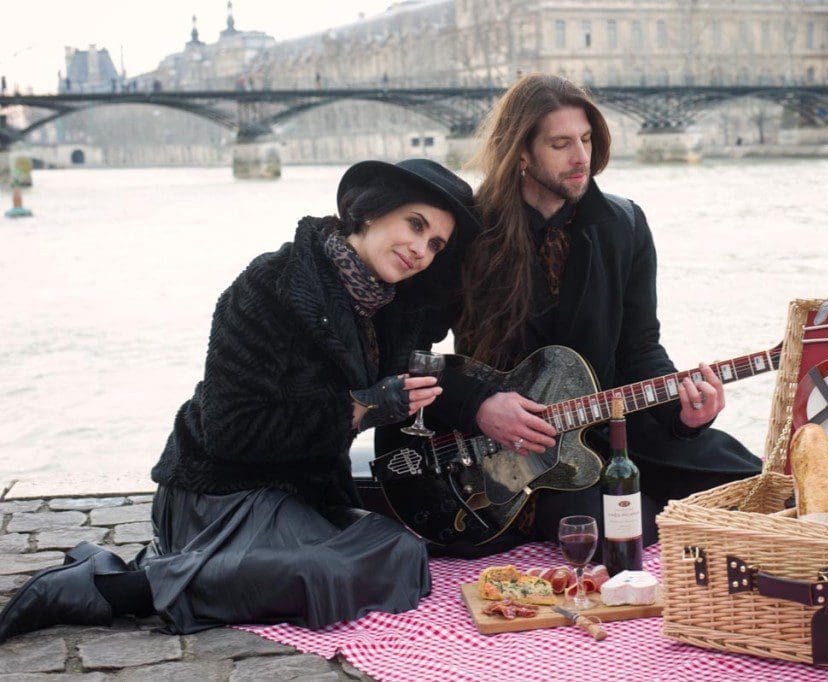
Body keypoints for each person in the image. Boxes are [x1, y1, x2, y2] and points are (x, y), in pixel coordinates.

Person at [0, 158, 479, 642]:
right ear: (372, 211)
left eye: (436, 244)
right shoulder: (271, 285)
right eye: (414, 226)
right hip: (217, 492)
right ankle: (117, 588)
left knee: (403, 552)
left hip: (299, 498)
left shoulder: (393, 307)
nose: (420, 250)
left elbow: (430, 376)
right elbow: (231, 430)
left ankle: (145, 570)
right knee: (324, 571)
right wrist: (359, 410)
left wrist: (489, 403)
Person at [447, 74, 762, 554]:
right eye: (561, 144)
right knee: (621, 526)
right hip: (515, 453)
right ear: (522, 153)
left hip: (619, 428)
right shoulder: (468, 230)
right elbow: (415, 354)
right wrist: (479, 405)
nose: (581, 158)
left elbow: (640, 347)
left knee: (754, 482)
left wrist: (685, 417)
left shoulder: (625, 224)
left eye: (587, 139)